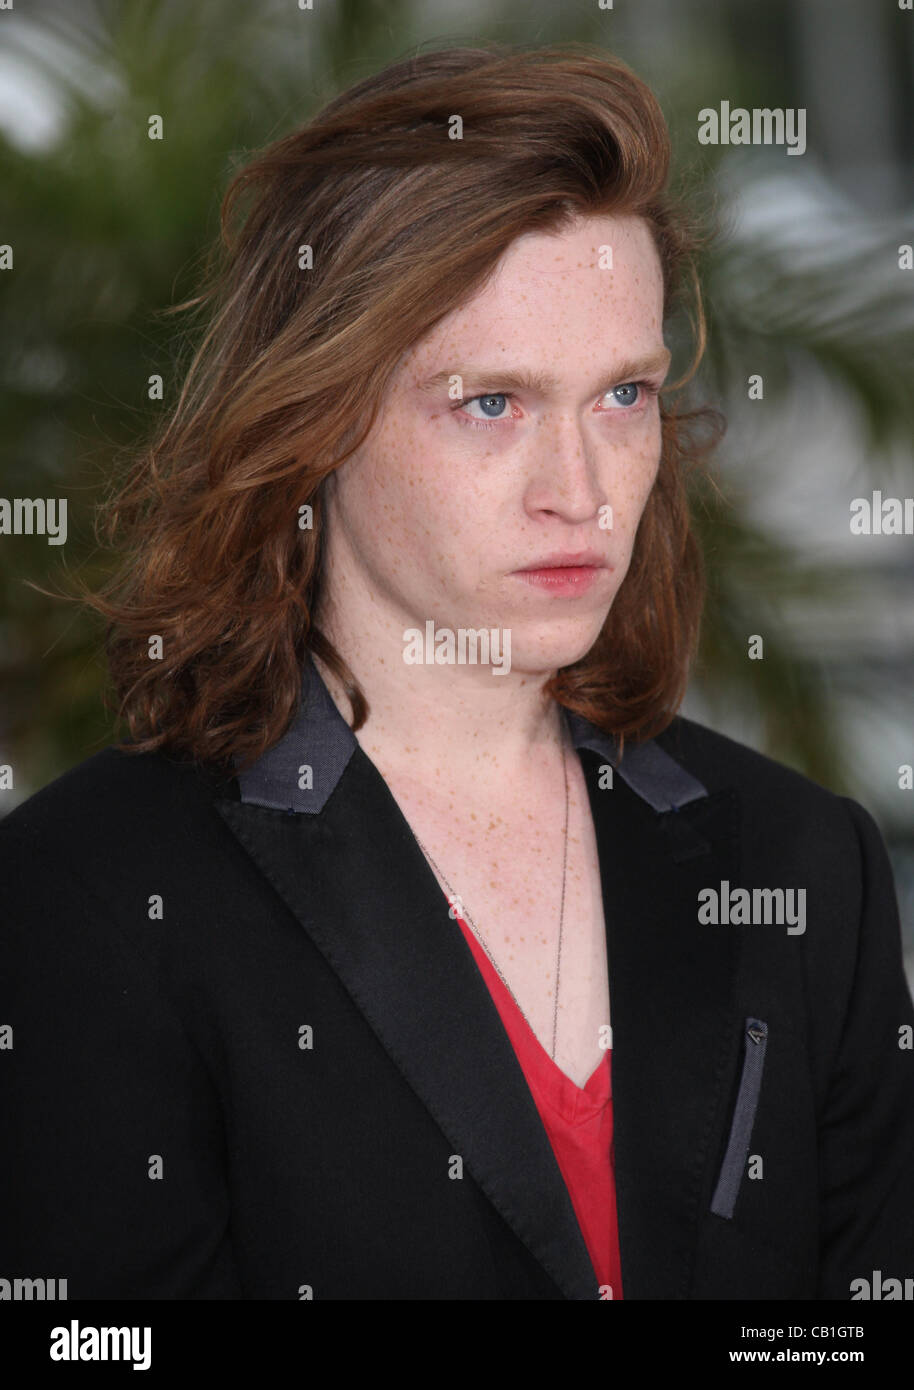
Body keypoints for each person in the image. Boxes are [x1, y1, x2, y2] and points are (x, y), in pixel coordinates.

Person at [2, 41, 913, 1303]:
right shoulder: (90, 895)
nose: (580, 491)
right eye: (490, 403)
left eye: (622, 396)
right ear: (314, 416)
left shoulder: (800, 862)